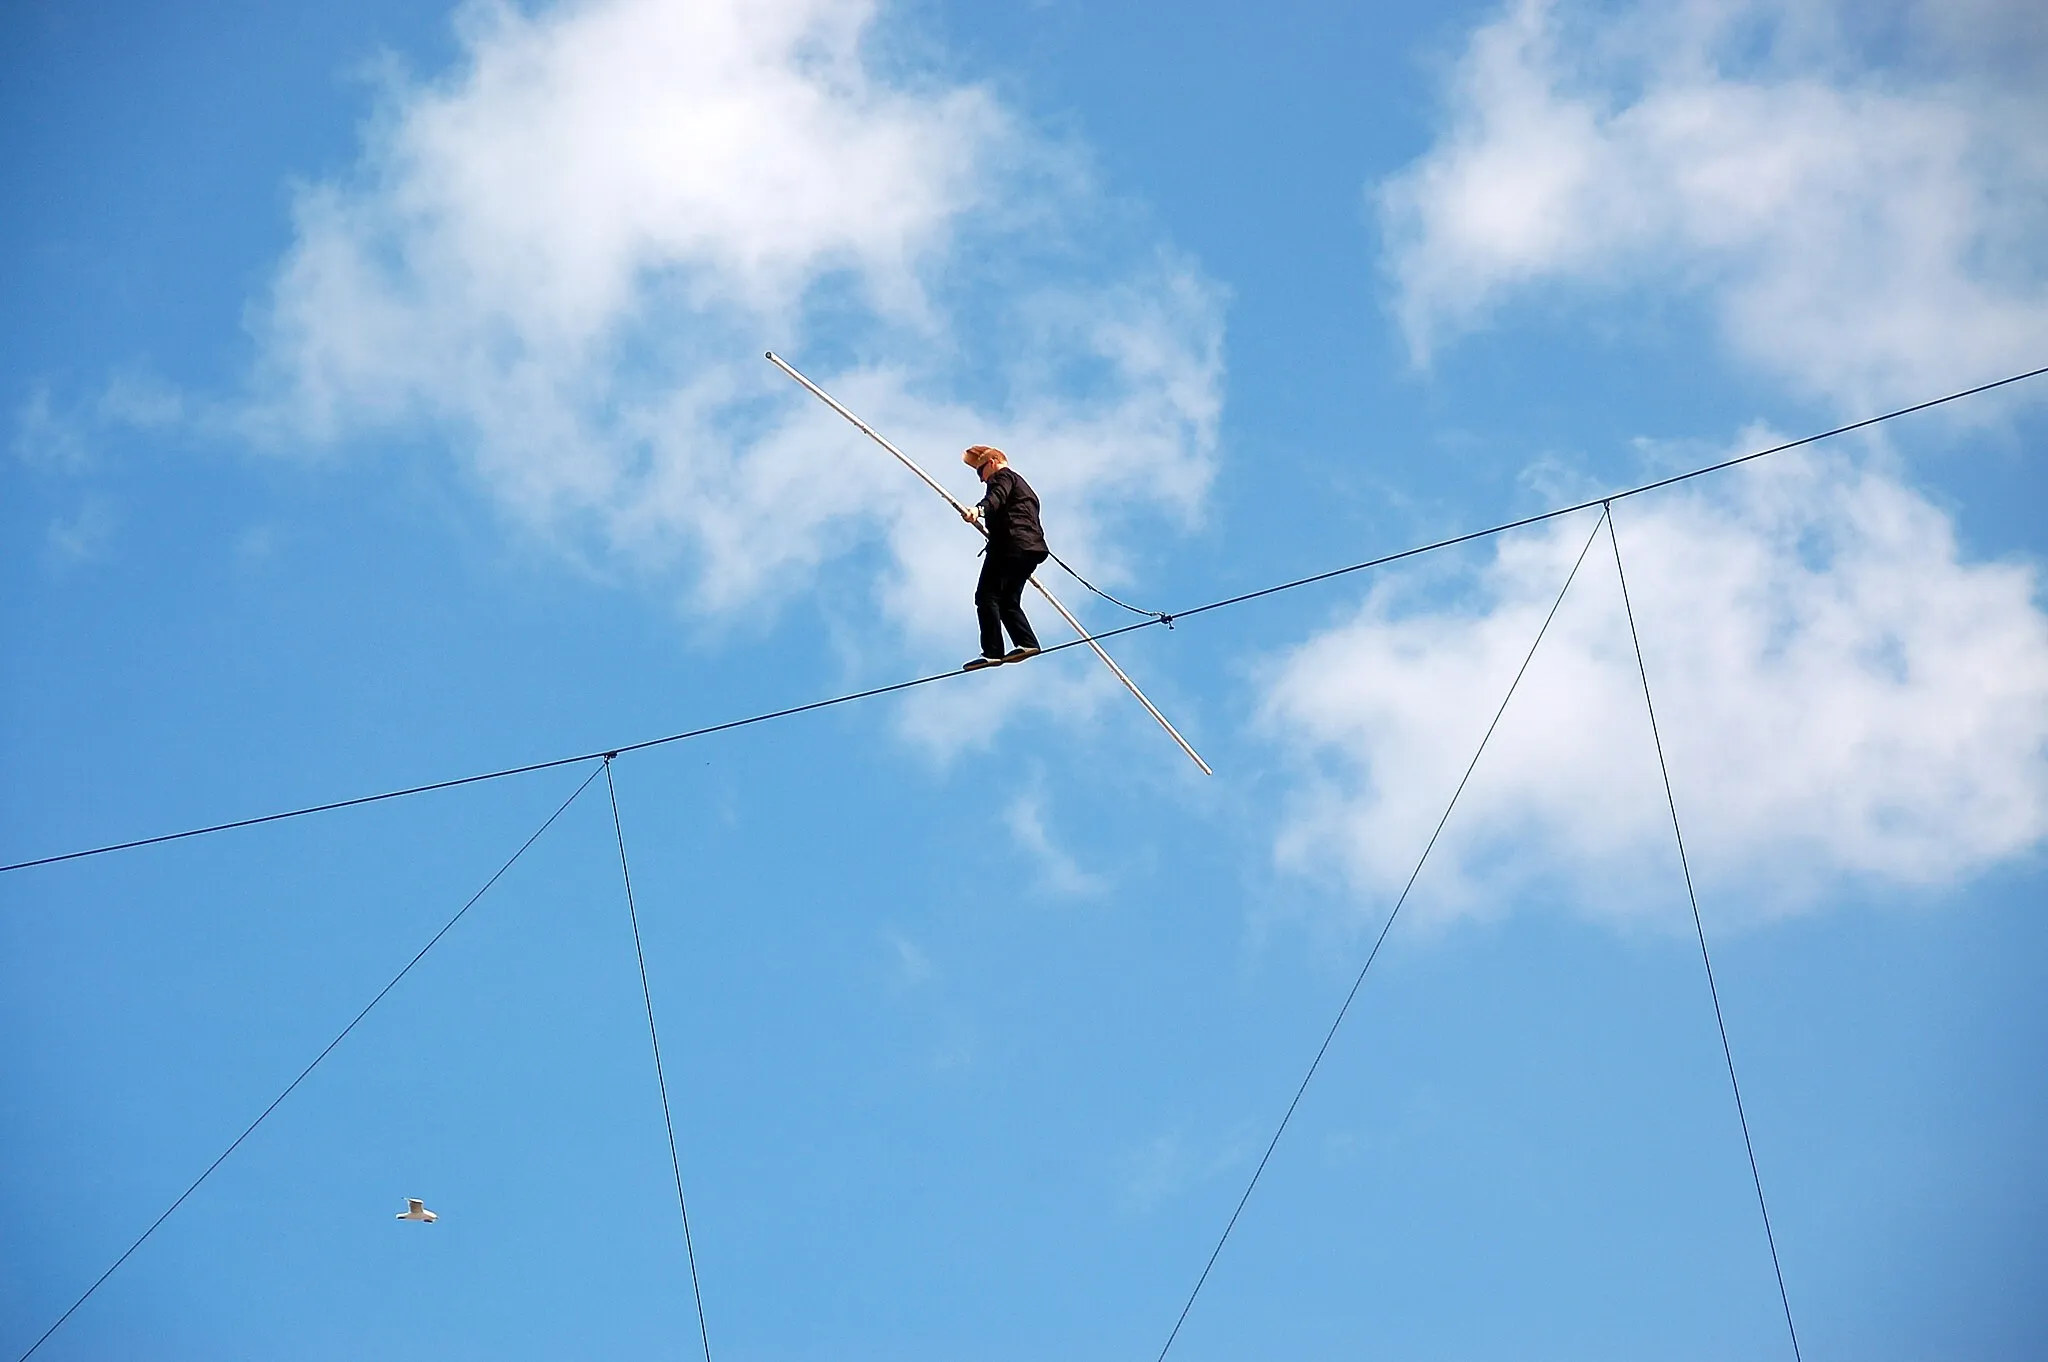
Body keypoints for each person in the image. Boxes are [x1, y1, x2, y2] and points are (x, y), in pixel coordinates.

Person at [959, 445, 1048, 670]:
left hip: (1009, 546)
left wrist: (978, 511)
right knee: (1008, 600)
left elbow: (995, 497)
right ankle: (1027, 643)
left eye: (980, 472)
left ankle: (992, 652)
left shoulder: (1003, 477)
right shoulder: (1022, 486)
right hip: (1030, 549)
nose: (981, 479)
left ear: (993, 462)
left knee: (986, 596)